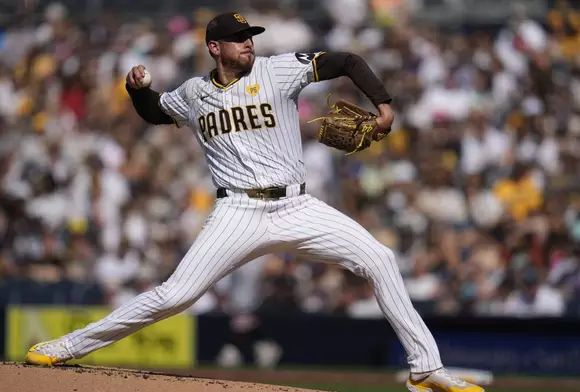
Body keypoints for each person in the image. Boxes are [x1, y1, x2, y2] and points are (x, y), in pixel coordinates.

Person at [25, 12, 484, 392]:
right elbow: (154, 112)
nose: (247, 43)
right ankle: (64, 347)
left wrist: (383, 105)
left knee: (380, 259)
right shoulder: (193, 94)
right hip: (237, 212)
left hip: (297, 206)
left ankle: (425, 366)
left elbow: (346, 60)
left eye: (249, 37)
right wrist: (136, 90)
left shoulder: (277, 70)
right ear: (214, 48)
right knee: (174, 296)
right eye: (237, 39)